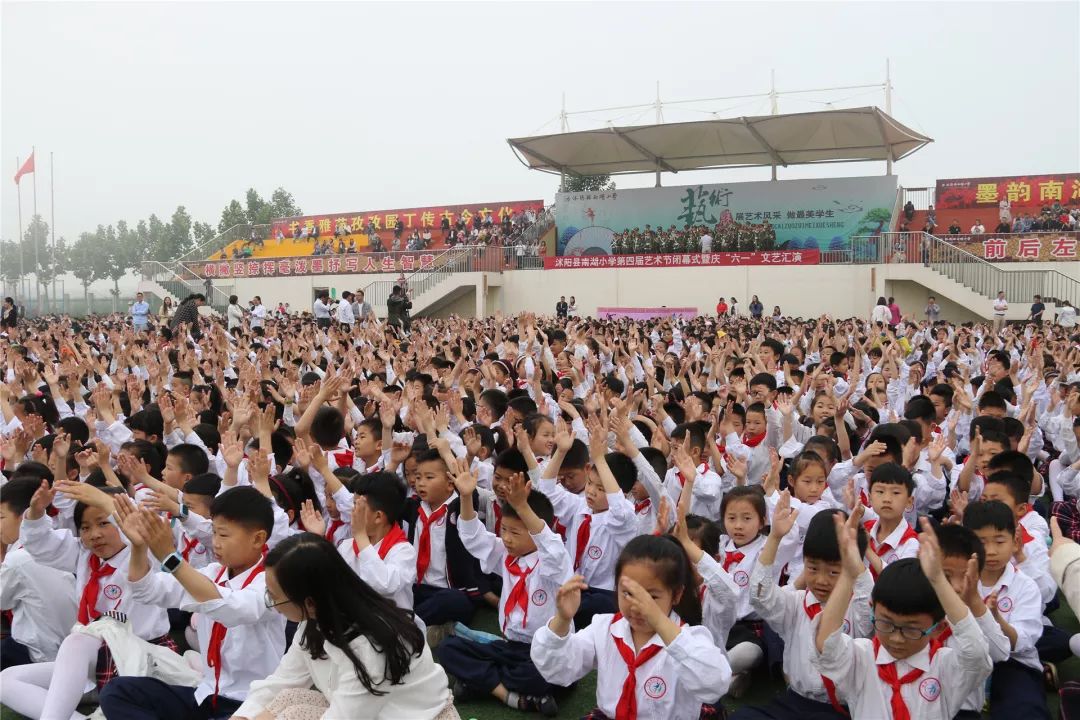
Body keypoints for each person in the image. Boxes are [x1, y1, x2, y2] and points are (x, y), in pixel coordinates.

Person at [232, 534, 455, 719]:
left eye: (275, 597)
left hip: (417, 716)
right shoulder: (315, 621)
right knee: (287, 700)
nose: (272, 604)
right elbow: (281, 681)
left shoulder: (369, 647)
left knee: (292, 714)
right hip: (373, 711)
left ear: (309, 602)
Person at [811, 516, 993, 720]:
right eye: (886, 624)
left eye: (911, 629)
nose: (896, 639)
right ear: (872, 610)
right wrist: (848, 575)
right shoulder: (862, 657)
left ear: (939, 628)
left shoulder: (946, 666)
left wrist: (939, 580)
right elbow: (826, 644)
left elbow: (977, 655)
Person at [531, 535, 732, 719]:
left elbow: (714, 683)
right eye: (627, 593)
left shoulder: (690, 638)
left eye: (651, 597)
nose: (637, 606)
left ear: (677, 594)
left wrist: (659, 620)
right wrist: (562, 620)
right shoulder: (604, 627)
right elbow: (556, 669)